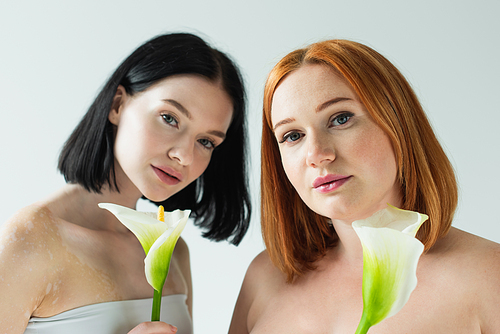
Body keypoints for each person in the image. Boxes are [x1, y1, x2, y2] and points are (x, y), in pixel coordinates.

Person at [229, 39, 500, 333]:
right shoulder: (264, 278)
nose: (317, 155)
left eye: (340, 119)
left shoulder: (488, 277)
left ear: (399, 124)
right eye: (293, 136)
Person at [0, 32, 251, 334]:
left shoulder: (172, 251)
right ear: (117, 105)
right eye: (170, 118)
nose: (184, 155)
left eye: (206, 141)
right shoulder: (30, 239)